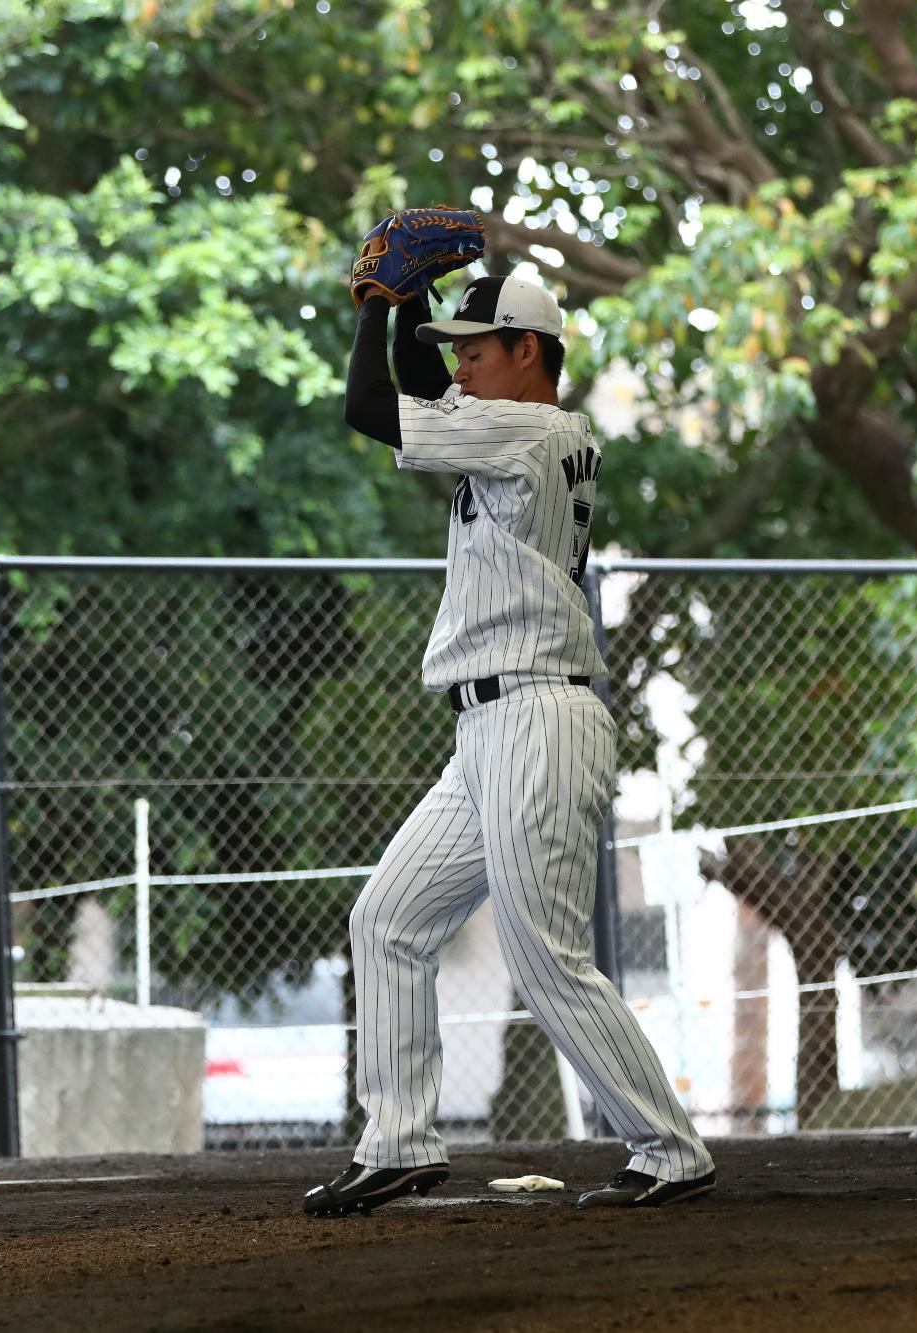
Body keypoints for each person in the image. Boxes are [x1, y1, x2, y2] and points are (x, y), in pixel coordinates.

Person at [301, 274, 716, 1217]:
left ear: (530, 351)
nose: (459, 366)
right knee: (388, 919)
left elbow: (374, 403)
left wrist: (375, 304)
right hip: (484, 730)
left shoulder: (528, 430)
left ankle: (669, 1148)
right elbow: (418, 384)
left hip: (537, 715)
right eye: (455, 349)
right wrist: (413, 307)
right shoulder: (507, 424)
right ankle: (399, 1143)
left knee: (543, 953)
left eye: (477, 349)